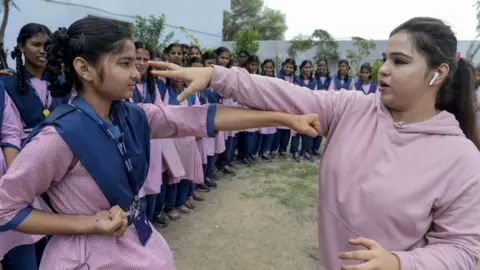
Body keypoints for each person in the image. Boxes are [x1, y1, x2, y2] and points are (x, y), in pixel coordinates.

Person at [150, 17, 480, 270]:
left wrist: (399, 263)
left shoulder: (460, 158)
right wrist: (217, 76)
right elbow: (290, 95)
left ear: (437, 74)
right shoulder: (354, 108)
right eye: (385, 58)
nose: (384, 70)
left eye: (400, 61)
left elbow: (464, 248)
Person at [0, 17, 319, 269]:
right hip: (84, 257)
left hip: (133, 244)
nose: (136, 73)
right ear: (84, 68)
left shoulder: (133, 116)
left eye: (135, 63)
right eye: (124, 64)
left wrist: (285, 118)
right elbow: (6, 210)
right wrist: (88, 223)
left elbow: (206, 117)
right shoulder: (57, 138)